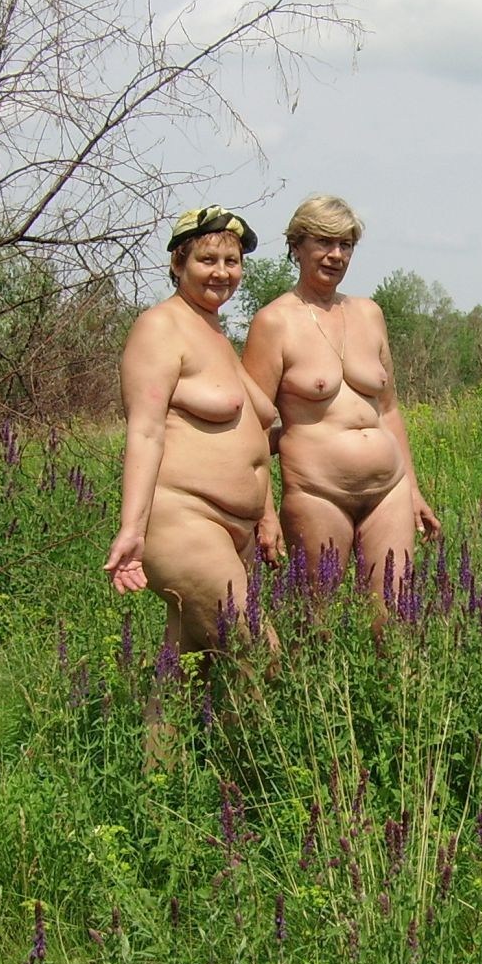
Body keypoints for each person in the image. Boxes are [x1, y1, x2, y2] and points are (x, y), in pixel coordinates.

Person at [103, 205, 281, 667]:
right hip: (185, 522)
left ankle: (156, 719)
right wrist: (132, 529)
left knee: (188, 675)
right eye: (207, 260)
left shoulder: (214, 331)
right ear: (178, 263)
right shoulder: (160, 327)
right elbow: (145, 431)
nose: (222, 272)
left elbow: (251, 434)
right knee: (261, 660)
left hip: (232, 530)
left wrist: (265, 514)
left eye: (232, 261)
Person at [242, 195, 439, 605]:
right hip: (318, 493)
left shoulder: (369, 313)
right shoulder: (273, 322)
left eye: (345, 245)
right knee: (319, 618)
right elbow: (253, 428)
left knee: (394, 616)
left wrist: (413, 490)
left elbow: (389, 410)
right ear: (296, 246)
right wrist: (265, 513)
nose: (335, 255)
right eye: (324, 242)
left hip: (388, 491)